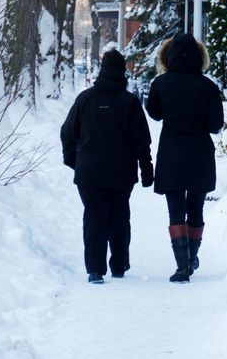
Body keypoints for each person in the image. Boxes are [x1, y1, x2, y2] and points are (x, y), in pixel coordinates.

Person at [60, 49, 154, 284]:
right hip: (121, 173)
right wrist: (146, 168)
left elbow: (67, 133)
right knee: (120, 216)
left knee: (94, 218)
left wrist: (72, 160)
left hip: (89, 172)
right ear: (123, 72)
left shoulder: (85, 99)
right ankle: (119, 264)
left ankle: (95, 269)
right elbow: (141, 140)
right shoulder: (130, 103)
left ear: (102, 70)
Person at [146, 33, 224, 283]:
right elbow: (215, 125)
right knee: (196, 207)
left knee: (175, 210)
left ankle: (181, 266)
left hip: (171, 153)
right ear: (200, 57)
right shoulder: (208, 87)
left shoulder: (160, 84)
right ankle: (192, 258)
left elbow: (154, 114)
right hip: (200, 153)